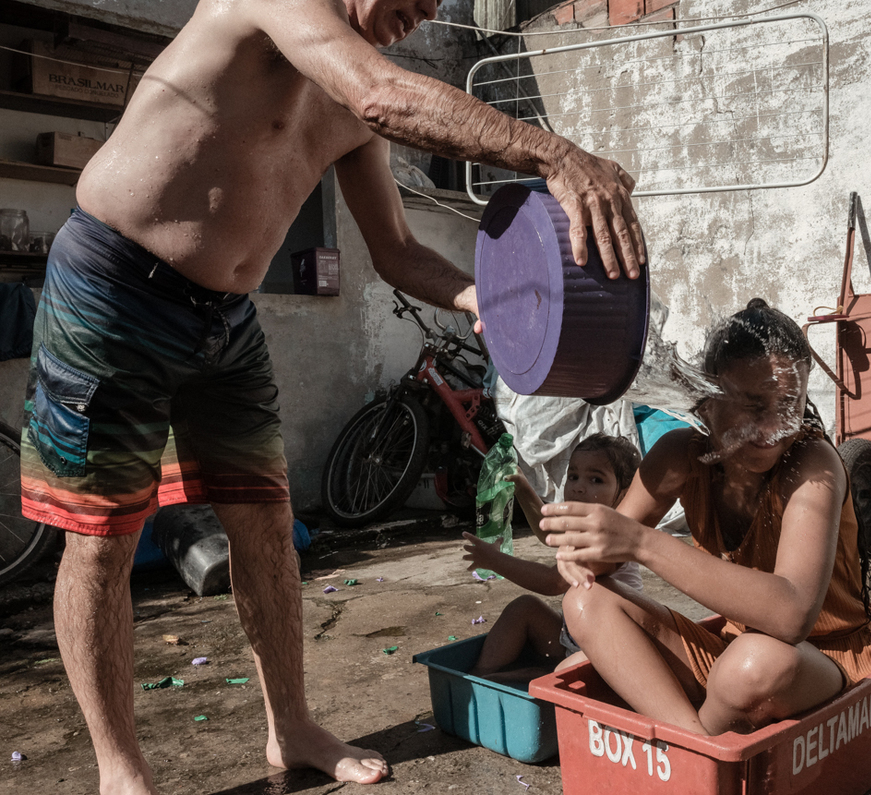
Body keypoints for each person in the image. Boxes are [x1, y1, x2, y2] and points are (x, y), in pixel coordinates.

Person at [19, 0, 645, 792]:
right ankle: (121, 770)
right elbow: (386, 95)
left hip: (224, 317)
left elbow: (398, 251)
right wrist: (555, 153)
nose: (423, 15)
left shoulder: (351, 105)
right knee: (101, 538)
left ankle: (291, 727)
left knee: (266, 526)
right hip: (114, 285)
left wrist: (484, 298)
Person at [539, 299, 871, 736]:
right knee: (584, 602)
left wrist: (641, 542)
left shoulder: (812, 464)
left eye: (789, 404)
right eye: (753, 406)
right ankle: (692, 742)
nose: (773, 428)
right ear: (707, 402)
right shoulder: (681, 455)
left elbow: (792, 615)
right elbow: (600, 563)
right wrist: (580, 551)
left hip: (824, 661)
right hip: (733, 652)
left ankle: (687, 756)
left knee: (754, 664)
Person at [462, 434, 642, 679]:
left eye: (596, 479)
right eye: (573, 476)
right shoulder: (582, 523)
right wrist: (523, 487)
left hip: (611, 650)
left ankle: (531, 675)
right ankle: (478, 676)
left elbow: (553, 582)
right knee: (523, 608)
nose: (578, 486)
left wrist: (494, 561)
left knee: (563, 673)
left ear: (625, 495)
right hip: (574, 639)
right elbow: (548, 531)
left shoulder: (609, 537)